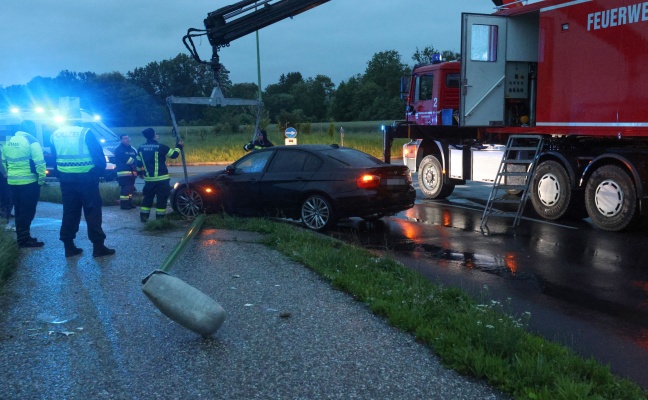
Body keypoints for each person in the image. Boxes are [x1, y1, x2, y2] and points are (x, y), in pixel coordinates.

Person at [51, 122, 115, 258]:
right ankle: (98, 247)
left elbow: (54, 156)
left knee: (69, 211)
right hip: (86, 178)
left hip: (66, 179)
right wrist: (98, 172)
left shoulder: (55, 134)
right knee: (93, 211)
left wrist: (60, 174)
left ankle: (69, 247)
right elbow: (97, 153)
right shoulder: (85, 132)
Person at [1, 120, 46, 247]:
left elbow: (4, 162)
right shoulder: (32, 141)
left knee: (19, 210)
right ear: (32, 129)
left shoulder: (8, 141)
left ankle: (23, 237)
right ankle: (24, 240)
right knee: (28, 211)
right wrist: (41, 180)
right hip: (29, 182)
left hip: (12, 182)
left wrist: (8, 175)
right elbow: (40, 163)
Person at [135, 128, 183, 222]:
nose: (157, 135)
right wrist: (178, 146)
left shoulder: (140, 148)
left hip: (149, 180)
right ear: (153, 135)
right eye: (156, 133)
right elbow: (174, 155)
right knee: (162, 199)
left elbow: (138, 163)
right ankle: (160, 219)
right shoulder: (161, 147)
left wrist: (140, 173)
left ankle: (144, 217)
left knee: (147, 198)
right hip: (162, 179)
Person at [114, 134, 138, 210]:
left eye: (128, 138)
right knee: (125, 189)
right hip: (123, 173)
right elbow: (127, 160)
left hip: (132, 173)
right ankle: (124, 205)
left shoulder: (132, 149)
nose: (127, 139)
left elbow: (137, 157)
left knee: (130, 189)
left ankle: (129, 203)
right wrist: (137, 163)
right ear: (121, 140)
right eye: (125, 138)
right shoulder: (119, 149)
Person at [0, 143, 14, 222]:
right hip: (2, 175)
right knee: (7, 196)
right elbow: (1, 163)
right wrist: (5, 173)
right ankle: (4, 216)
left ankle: (4, 214)